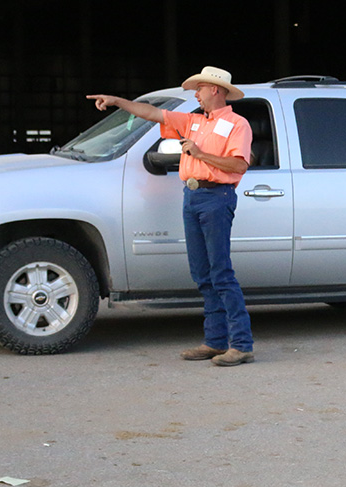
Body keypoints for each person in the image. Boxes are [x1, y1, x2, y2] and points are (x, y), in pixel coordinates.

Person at [87, 67, 255, 366]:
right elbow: (152, 114)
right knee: (203, 274)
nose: (195, 94)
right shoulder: (193, 121)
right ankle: (216, 342)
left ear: (215, 90)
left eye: (199, 89)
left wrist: (200, 155)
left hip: (216, 197)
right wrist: (117, 101)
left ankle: (241, 344)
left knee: (221, 273)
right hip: (193, 196)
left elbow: (239, 166)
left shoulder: (236, 124)